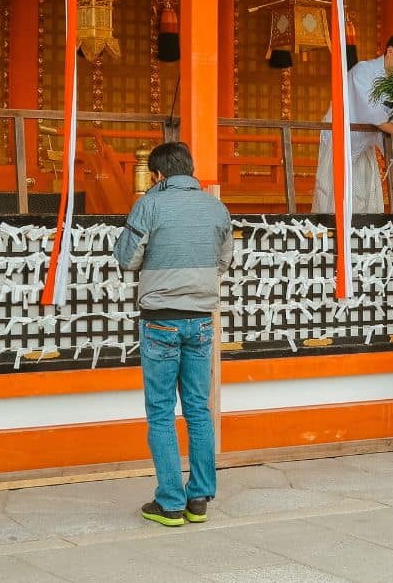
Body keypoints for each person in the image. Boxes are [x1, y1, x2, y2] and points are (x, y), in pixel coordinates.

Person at [114, 142, 232, 528]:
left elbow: (127, 258)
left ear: (158, 175)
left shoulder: (150, 204)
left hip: (160, 320)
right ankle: (199, 498)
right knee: (199, 410)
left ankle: (169, 503)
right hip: (200, 320)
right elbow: (224, 261)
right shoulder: (216, 207)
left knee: (162, 413)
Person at [312, 32, 393, 214]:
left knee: (363, 188)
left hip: (364, 142)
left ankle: (362, 231)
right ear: (389, 52)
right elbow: (370, 108)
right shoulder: (364, 70)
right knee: (333, 186)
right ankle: (331, 229)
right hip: (340, 136)